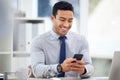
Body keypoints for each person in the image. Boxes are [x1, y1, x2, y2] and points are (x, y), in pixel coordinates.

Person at [31, 1, 94, 78]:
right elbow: (37, 70)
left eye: (70, 20)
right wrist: (60, 68)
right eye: (62, 20)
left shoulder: (81, 40)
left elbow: (90, 67)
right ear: (52, 18)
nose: (66, 24)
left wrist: (84, 70)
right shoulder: (38, 41)